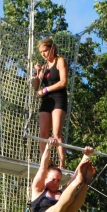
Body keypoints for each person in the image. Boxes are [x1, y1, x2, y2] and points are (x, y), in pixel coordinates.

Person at [29, 139, 95, 212]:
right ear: (45, 179)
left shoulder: (62, 193)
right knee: (61, 205)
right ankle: (80, 181)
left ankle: (85, 184)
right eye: (53, 179)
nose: (56, 182)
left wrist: (86, 156)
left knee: (71, 208)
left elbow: (74, 175)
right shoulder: (38, 190)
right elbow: (43, 167)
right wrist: (49, 147)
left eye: (59, 180)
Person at [31, 38, 68, 166]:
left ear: (52, 48)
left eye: (45, 51)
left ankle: (62, 164)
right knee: (43, 133)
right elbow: (36, 87)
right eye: (41, 52)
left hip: (58, 98)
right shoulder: (45, 67)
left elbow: (63, 82)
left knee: (56, 132)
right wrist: (36, 73)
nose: (44, 54)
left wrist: (46, 90)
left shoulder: (60, 61)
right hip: (47, 100)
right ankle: (44, 162)